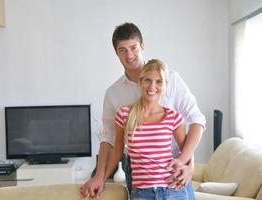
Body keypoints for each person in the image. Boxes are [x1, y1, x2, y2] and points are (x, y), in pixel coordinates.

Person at [80, 22, 206, 199]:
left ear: (142, 46)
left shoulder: (170, 78)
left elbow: (197, 120)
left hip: (175, 171)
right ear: (116, 53)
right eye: (122, 50)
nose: (129, 55)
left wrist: (187, 163)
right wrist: (100, 176)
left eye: (133, 47)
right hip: (138, 174)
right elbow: (108, 139)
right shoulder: (114, 94)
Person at [104, 59, 195, 199]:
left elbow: (187, 151)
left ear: (165, 86)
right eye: (148, 80)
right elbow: (117, 151)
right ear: (140, 82)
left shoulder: (173, 117)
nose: (152, 86)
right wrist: (101, 178)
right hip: (141, 193)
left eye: (159, 81)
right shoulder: (124, 115)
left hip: (173, 191)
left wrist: (190, 168)